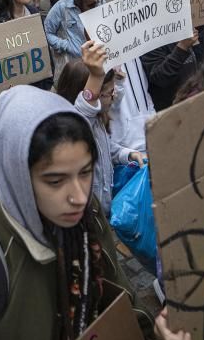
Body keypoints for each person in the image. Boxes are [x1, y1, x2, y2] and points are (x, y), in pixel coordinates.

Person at [0, 85, 190, 340]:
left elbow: (120, 296)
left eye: (85, 172)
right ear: (17, 174)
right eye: (55, 181)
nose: (78, 195)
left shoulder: (87, 214)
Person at [54, 41, 141, 214]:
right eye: (108, 92)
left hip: (103, 211)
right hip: (87, 217)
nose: (113, 96)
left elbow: (106, 148)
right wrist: (96, 75)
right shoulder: (75, 127)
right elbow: (85, 108)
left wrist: (128, 154)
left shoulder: (98, 122)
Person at [44, 0, 105, 64]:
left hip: (100, 61)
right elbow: (47, 32)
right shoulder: (62, 7)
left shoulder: (101, 2)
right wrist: (66, 45)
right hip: (76, 65)